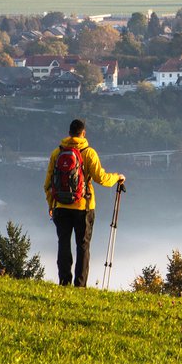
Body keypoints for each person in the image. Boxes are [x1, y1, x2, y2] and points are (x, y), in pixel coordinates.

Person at [44, 118, 125, 287]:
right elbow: (101, 178)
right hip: (83, 207)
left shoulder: (56, 153)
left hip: (60, 207)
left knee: (63, 244)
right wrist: (117, 177)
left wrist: (51, 204)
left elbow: (48, 184)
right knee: (83, 246)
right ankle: (80, 285)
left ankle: (64, 282)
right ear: (83, 133)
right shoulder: (88, 153)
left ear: (69, 133)